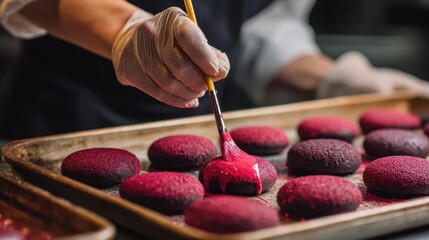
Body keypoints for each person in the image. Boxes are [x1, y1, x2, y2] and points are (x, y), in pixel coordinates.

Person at [0, 0, 428, 140]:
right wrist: (123, 29)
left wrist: (335, 80)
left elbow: (262, 22)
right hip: (72, 116)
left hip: (211, 123)